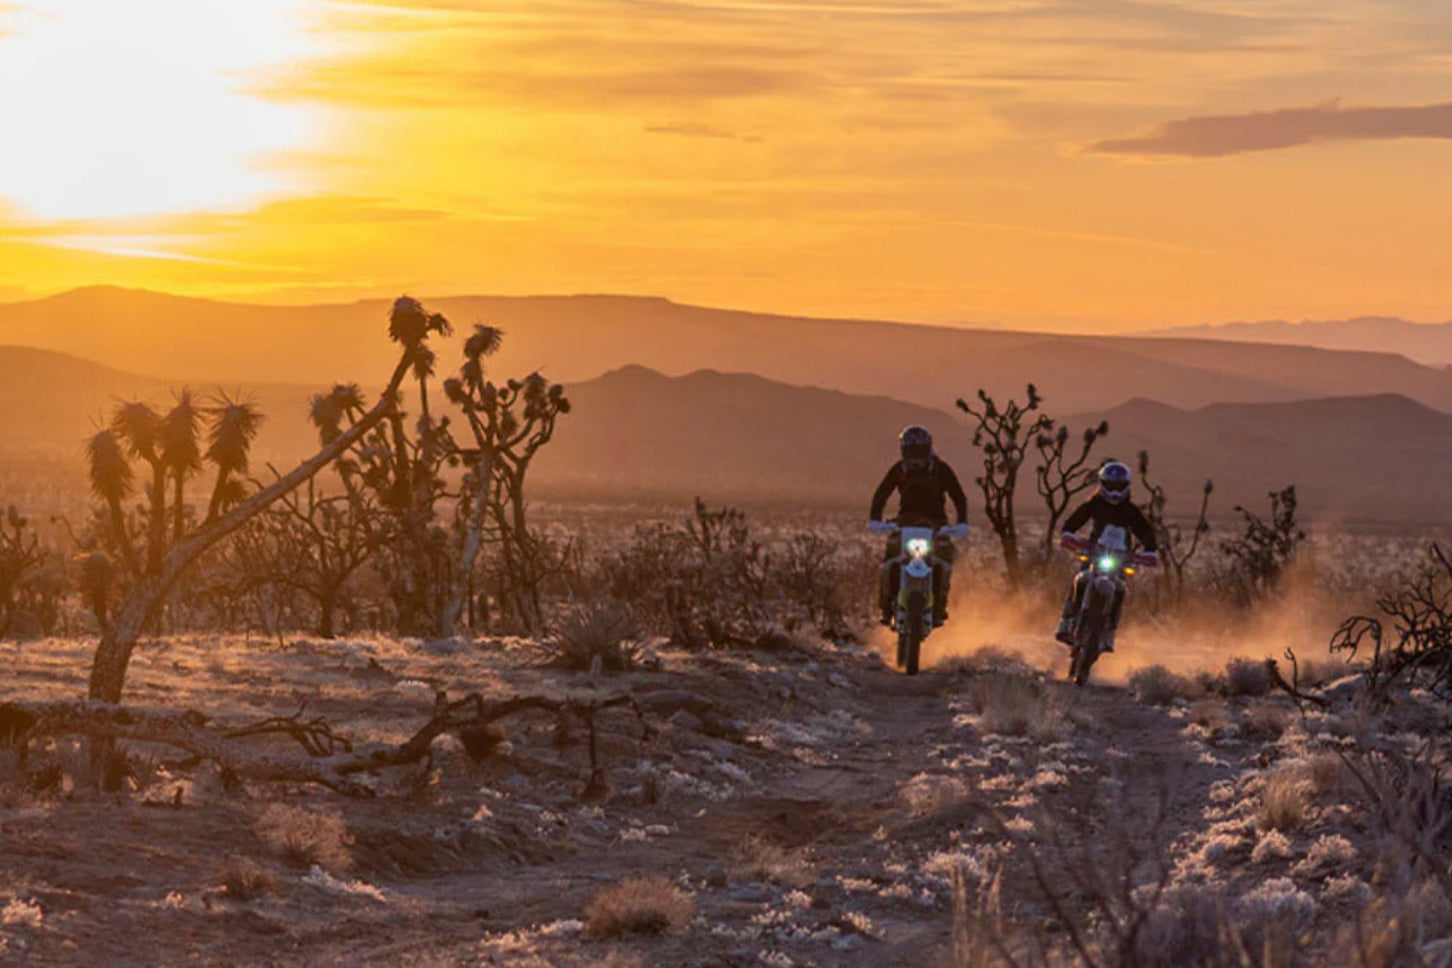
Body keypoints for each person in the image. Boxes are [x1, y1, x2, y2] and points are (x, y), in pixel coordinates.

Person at [869, 425, 969, 626]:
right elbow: (881, 493)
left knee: (945, 561)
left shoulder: (941, 469)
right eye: (910, 451)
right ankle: (886, 607)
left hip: (936, 524)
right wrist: (875, 519)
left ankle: (940, 606)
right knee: (889, 561)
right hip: (905, 522)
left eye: (919, 451)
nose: (915, 456)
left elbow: (958, 496)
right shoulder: (899, 470)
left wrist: (962, 522)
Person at [1055, 459, 1158, 652]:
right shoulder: (1095, 503)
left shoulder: (1131, 511)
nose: (1115, 490)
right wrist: (1069, 534)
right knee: (1080, 579)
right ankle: (1067, 620)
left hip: (1120, 556)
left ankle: (1110, 631)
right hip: (1095, 551)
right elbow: (1075, 520)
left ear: (1127, 486)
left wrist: (1150, 551)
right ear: (1102, 484)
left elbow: (1145, 531)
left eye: (1119, 486)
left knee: (1120, 589)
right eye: (1111, 485)